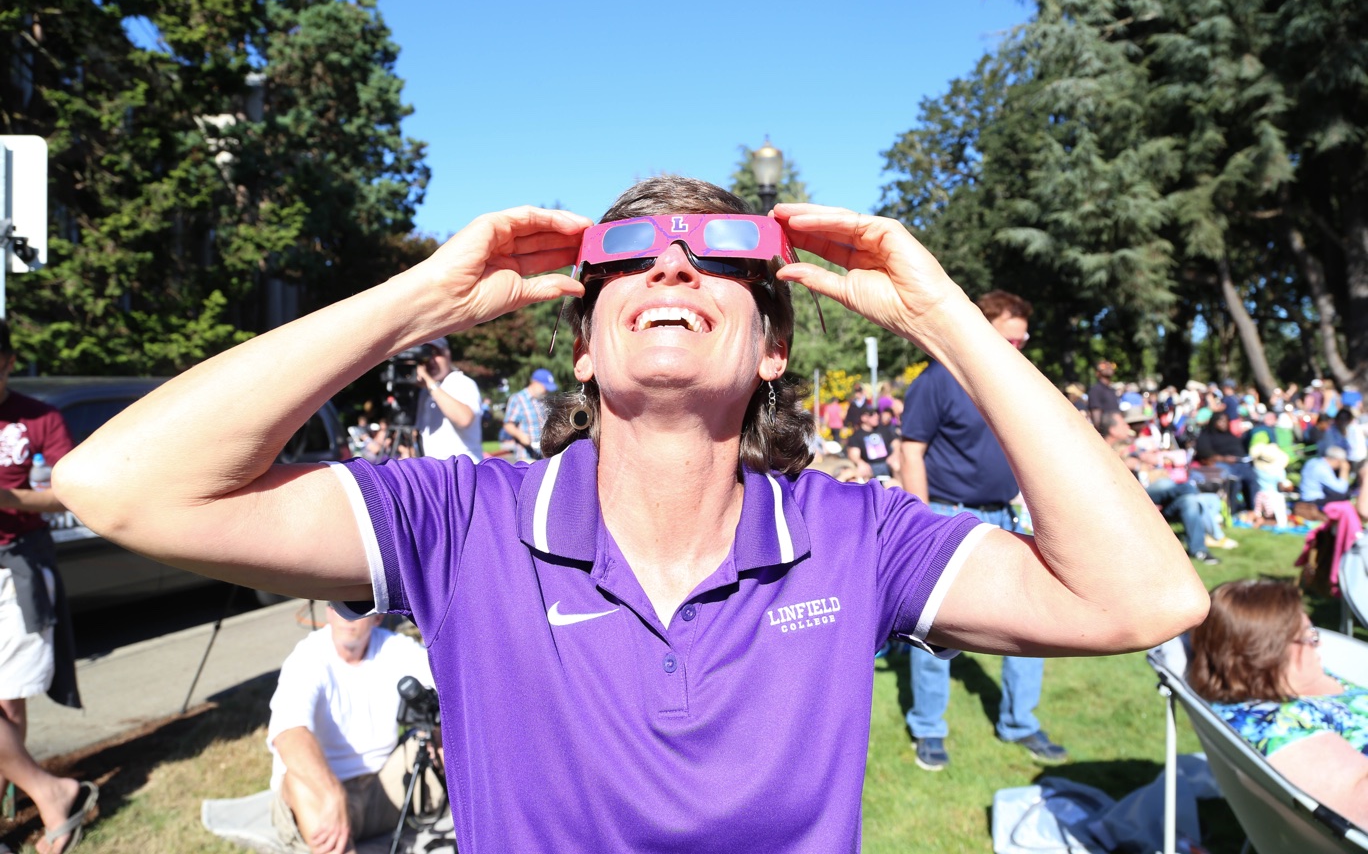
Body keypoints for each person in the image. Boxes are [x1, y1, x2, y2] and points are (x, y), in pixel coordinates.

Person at [54, 177, 1209, 852]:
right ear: (583, 341)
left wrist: (949, 322)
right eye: (633, 262)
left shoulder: (859, 537)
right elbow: (120, 486)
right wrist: (420, 299)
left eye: (715, 261)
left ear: (771, 348)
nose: (671, 274)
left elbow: (1147, 599)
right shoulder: (459, 522)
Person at [898, 290, 1068, 770]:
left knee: (1034, 624)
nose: (1018, 348)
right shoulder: (936, 381)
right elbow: (911, 452)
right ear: (981, 326)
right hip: (949, 517)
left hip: (1007, 515)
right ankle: (929, 728)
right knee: (936, 630)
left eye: (1022, 341)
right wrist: (922, 522)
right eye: (1010, 340)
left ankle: (1020, 722)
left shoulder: (1015, 381)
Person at [0, 320, 98, 854]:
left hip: (19, 566)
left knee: (10, 701)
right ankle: (51, 792)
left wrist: (9, 501)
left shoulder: (39, 417)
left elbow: (66, 493)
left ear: (8, 362)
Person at [1190, 579, 1368, 827]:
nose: (1318, 643)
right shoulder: (1277, 727)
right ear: (1267, 653)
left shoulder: (1293, 682)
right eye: (1308, 637)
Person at [268, 604, 441, 854]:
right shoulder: (307, 657)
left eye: (355, 607)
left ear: (378, 616)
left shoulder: (396, 648)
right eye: (335, 604)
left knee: (448, 740)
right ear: (327, 612)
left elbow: (451, 693)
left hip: (383, 786)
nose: (345, 614)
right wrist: (332, 794)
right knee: (297, 776)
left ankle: (488, 834)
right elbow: (288, 735)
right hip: (321, 804)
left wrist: (437, 733)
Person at [1098, 410, 1223, 564]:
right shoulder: (1101, 449)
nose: (1128, 427)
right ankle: (1213, 529)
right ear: (1113, 429)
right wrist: (1134, 463)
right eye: (1124, 424)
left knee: (1189, 501)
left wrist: (1146, 460)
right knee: (1184, 488)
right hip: (1136, 498)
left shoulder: (1132, 444)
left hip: (1155, 497)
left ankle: (1199, 551)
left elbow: (1148, 460)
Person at [412, 337, 482, 461]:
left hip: (463, 471)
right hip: (436, 473)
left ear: (447, 355)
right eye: (426, 355)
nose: (431, 360)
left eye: (436, 353)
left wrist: (429, 381)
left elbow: (464, 419)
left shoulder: (462, 382)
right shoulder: (425, 392)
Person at [1194, 411, 1260, 511]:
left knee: (1252, 479)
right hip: (1220, 465)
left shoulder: (1231, 436)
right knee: (1233, 480)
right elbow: (1204, 454)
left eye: (1225, 421)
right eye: (1220, 421)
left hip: (1241, 463)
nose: (1223, 423)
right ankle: (1230, 510)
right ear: (1214, 422)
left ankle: (1252, 510)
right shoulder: (1206, 435)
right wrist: (1225, 459)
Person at [501, 368, 557, 462]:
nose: (547, 391)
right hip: (527, 455)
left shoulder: (543, 400)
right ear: (535, 382)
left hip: (544, 455)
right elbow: (508, 425)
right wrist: (520, 435)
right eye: (545, 387)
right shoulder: (518, 399)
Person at [844, 404, 898, 482]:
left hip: (887, 463)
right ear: (863, 418)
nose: (876, 416)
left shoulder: (883, 429)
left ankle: (902, 490)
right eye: (872, 414)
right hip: (870, 466)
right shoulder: (857, 435)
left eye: (877, 413)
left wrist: (894, 455)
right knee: (860, 472)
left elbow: (896, 443)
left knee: (896, 464)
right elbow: (853, 454)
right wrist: (860, 463)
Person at [1087, 360, 1121, 426]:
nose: (1108, 367)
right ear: (1097, 373)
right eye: (1104, 366)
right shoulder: (1095, 390)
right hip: (1106, 433)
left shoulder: (1112, 390)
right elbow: (1096, 418)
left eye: (1111, 365)